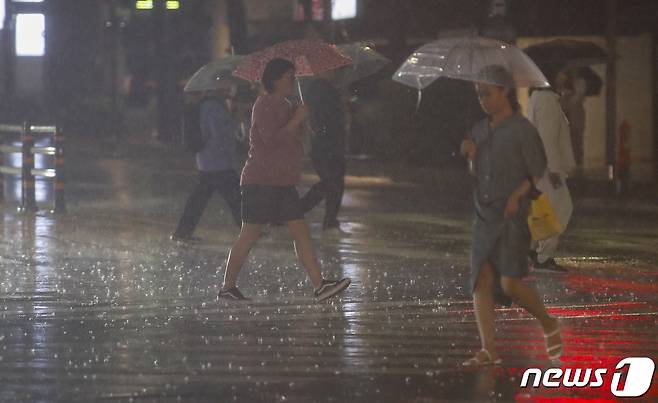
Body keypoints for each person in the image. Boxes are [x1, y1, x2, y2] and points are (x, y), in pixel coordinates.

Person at [218, 58, 351, 302]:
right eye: (290, 77)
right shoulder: (264, 104)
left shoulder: (288, 104)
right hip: (260, 181)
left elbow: (293, 139)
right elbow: (271, 140)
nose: (294, 81)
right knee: (249, 234)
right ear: (276, 79)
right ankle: (228, 286)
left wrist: (303, 121)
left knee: (301, 232)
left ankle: (319, 284)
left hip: (283, 182)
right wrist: (296, 120)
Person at [460, 65, 562, 366]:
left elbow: (536, 171)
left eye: (488, 94)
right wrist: (471, 156)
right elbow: (476, 175)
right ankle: (488, 349)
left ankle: (548, 323)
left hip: (511, 216)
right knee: (481, 278)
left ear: (505, 91)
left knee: (509, 283)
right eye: (479, 95)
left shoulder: (522, 130)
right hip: (484, 213)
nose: (483, 100)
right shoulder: (479, 130)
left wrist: (518, 195)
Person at [171, 76, 242, 241]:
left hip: (210, 163)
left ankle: (182, 232)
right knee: (236, 198)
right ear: (220, 85)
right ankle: (250, 231)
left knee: (200, 200)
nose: (232, 88)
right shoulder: (213, 106)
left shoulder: (217, 104)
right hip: (218, 162)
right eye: (229, 84)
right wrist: (233, 123)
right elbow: (218, 134)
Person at [528, 66, 577, 273]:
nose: (563, 75)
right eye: (561, 70)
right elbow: (547, 139)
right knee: (560, 208)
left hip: (540, 166)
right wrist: (555, 170)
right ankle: (543, 256)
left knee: (543, 209)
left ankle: (533, 250)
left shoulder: (541, 97)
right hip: (548, 168)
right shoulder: (547, 99)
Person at [300, 69, 347, 232]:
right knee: (332, 182)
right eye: (329, 69)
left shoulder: (327, 89)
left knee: (334, 182)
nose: (333, 72)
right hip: (326, 144)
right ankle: (296, 212)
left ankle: (329, 219)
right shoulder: (320, 90)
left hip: (329, 144)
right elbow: (322, 118)